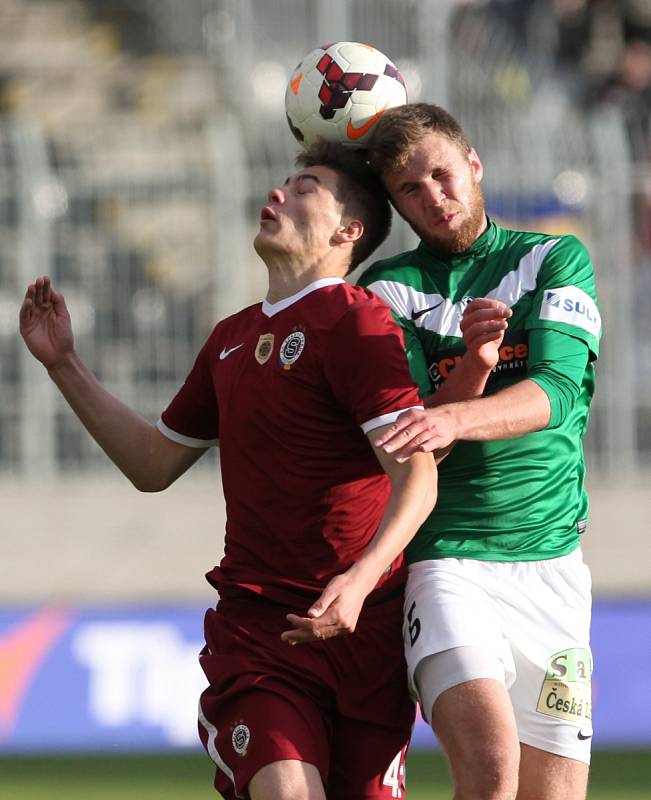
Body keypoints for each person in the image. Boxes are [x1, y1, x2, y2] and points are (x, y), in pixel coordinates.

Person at [20, 141, 446, 800]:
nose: (276, 194)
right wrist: (64, 365)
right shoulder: (230, 338)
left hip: (363, 635)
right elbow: (153, 464)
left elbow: (416, 473)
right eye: (280, 183)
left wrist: (360, 580)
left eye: (303, 187)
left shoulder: (353, 320)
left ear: (347, 230)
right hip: (260, 636)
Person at [357, 103, 601, 800]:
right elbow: (400, 425)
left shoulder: (552, 258)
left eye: (441, 173)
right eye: (410, 188)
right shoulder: (386, 289)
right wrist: (463, 383)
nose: (433, 196)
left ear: (473, 164)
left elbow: (553, 393)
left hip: (552, 568)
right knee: (492, 765)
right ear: (395, 203)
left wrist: (460, 404)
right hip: (449, 561)